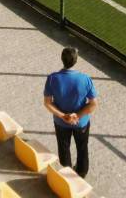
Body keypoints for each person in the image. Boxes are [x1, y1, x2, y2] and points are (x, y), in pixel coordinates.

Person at [44, 46, 98, 178]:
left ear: (62, 59)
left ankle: (66, 176)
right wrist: (77, 116)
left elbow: (47, 103)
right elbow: (93, 104)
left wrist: (63, 116)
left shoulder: (52, 78)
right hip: (81, 123)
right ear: (76, 61)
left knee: (63, 149)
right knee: (82, 148)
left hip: (61, 122)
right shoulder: (85, 79)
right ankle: (81, 172)